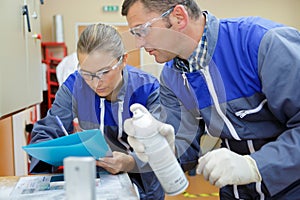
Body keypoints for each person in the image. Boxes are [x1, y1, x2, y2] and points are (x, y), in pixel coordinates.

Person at [121, 0, 300, 199]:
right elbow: (184, 143)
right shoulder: (172, 76)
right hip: (235, 190)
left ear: (178, 17)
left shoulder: (262, 43)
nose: (138, 44)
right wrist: (162, 149)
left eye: (142, 31)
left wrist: (255, 165)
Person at [29, 23, 165, 200]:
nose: (95, 82)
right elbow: (49, 129)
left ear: (123, 60)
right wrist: (43, 170)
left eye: (104, 72)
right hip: (94, 184)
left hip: (144, 188)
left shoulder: (148, 88)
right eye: (87, 73)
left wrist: (130, 162)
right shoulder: (75, 86)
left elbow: (162, 148)